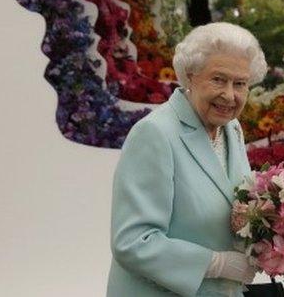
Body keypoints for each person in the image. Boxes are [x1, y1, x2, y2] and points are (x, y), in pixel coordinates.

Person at [107, 22, 267, 296]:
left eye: (240, 84)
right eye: (218, 79)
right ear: (189, 77)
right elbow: (132, 242)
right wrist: (216, 264)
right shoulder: (155, 134)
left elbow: (233, 205)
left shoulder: (231, 128)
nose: (229, 95)